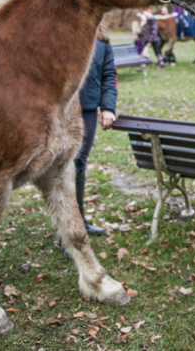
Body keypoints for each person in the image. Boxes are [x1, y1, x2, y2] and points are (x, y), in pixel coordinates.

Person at [73, 27, 117, 236]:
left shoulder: (103, 39)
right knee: (62, 168)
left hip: (88, 109)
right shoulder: (64, 30)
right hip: (60, 109)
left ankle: (79, 221)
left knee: (78, 164)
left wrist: (108, 107)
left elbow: (109, 75)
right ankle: (67, 227)